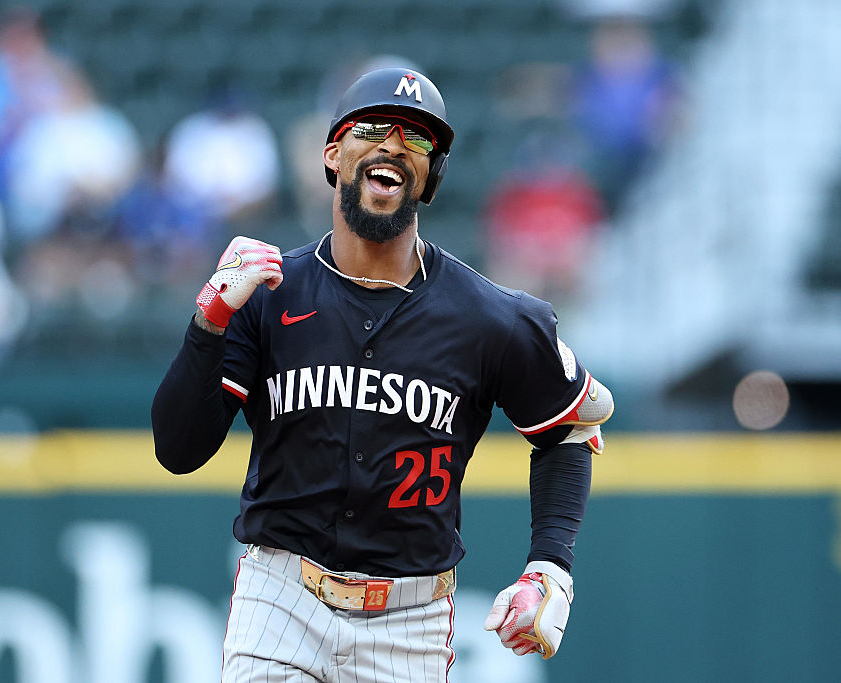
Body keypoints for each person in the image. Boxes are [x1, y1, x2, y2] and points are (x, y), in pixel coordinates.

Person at [151, 67, 613, 681]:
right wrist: (208, 323)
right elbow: (178, 450)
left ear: (432, 174)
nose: (393, 144)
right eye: (371, 128)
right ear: (332, 153)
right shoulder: (268, 292)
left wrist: (550, 566)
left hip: (411, 619)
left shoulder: (489, 317)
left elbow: (570, 428)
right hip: (282, 596)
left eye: (417, 137)